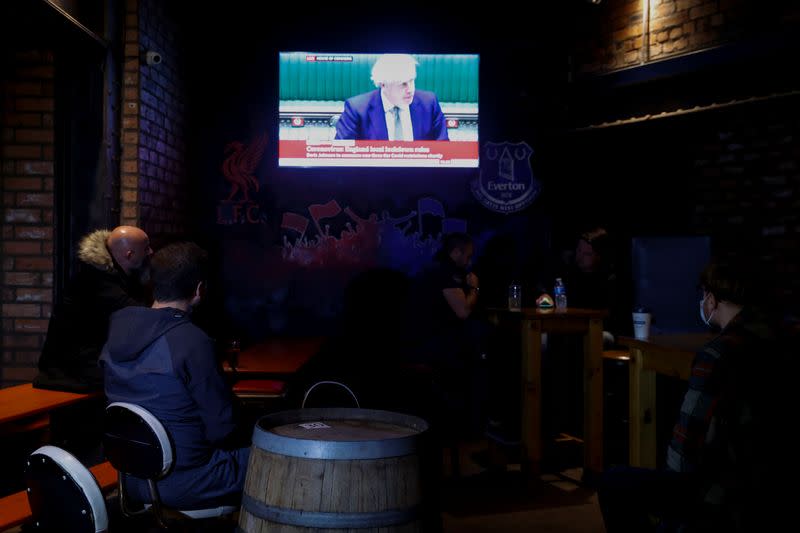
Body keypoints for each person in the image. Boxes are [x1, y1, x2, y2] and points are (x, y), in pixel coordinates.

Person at [597, 260, 792, 532]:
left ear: (711, 300)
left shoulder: (717, 354)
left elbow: (686, 443)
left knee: (615, 482)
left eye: (703, 296)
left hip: (724, 492)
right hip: (770, 484)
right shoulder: (782, 339)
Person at [100, 242, 249, 510]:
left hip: (131, 479)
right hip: (189, 483)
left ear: (153, 284)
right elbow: (222, 428)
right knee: (282, 457)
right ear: (200, 290)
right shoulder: (192, 340)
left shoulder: (115, 335)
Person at [34, 225, 153, 393]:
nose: (151, 252)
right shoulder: (96, 279)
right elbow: (141, 316)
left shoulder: (122, 277)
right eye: (146, 248)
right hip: (69, 371)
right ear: (130, 255)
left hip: (90, 364)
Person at [334, 53, 449, 141]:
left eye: (412, 81)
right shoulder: (356, 109)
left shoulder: (429, 103)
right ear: (383, 85)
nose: (410, 89)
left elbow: (444, 150)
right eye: (403, 84)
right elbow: (342, 155)